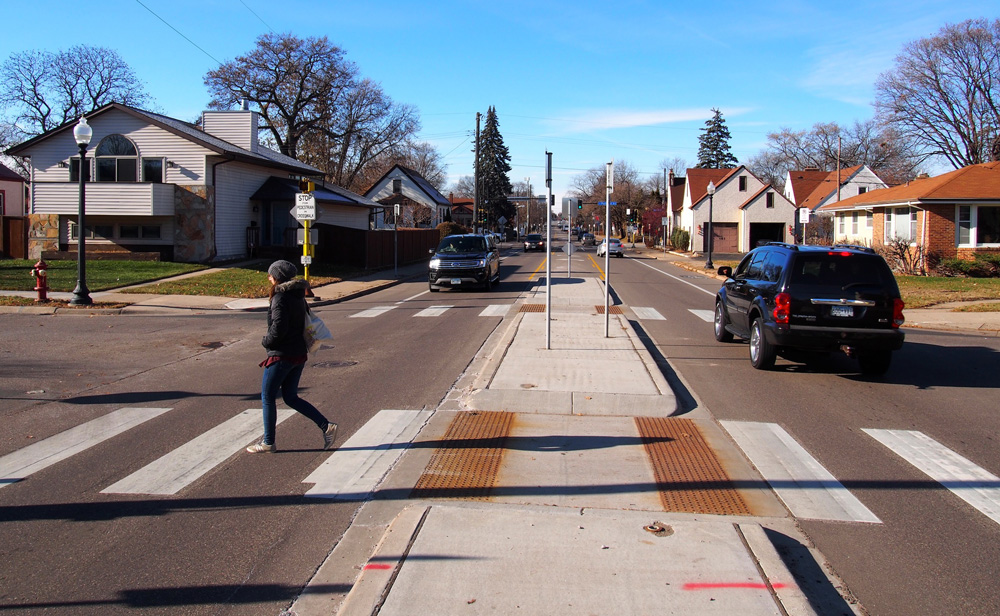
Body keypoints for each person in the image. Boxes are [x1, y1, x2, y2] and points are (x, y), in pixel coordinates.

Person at [247, 260, 337, 453]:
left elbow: (279, 328)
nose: (268, 278)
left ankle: (268, 442)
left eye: (270, 275)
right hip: (298, 354)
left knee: (267, 397)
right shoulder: (298, 296)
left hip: (282, 355)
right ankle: (326, 426)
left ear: (277, 277)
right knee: (290, 397)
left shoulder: (280, 298)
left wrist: (266, 341)